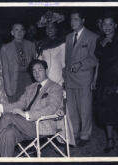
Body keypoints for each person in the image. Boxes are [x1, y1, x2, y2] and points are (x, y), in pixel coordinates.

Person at [0, 59, 63, 157]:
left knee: (7, 117)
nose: (36, 73)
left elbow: (51, 108)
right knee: (8, 133)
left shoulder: (55, 87)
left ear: (46, 70)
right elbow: (19, 104)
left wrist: (26, 114)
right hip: (26, 126)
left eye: (39, 70)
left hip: (42, 125)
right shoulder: (30, 88)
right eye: (34, 71)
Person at [37, 11, 75, 145]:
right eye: (47, 28)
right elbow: (39, 64)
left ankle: (64, 138)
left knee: (61, 109)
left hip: (60, 80)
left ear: (56, 29)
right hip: (47, 83)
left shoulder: (63, 43)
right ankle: (48, 135)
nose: (50, 30)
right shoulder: (41, 45)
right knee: (47, 108)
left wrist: (64, 81)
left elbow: (66, 63)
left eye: (52, 27)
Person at [94, 15, 118, 155]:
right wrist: (94, 78)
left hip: (116, 80)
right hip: (103, 81)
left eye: (110, 24)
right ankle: (110, 140)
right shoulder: (99, 40)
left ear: (115, 25)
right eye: (104, 24)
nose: (107, 27)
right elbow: (98, 62)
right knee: (104, 112)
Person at [65, 9, 99, 146]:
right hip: (69, 78)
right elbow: (67, 59)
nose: (72, 22)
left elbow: (95, 58)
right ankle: (74, 135)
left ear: (83, 20)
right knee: (71, 109)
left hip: (84, 78)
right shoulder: (68, 37)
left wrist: (81, 64)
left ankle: (85, 136)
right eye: (71, 19)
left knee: (85, 109)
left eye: (76, 19)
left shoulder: (92, 37)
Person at [1, 23, 36, 103]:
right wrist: (8, 88)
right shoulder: (5, 48)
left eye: (21, 30)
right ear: (12, 33)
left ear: (24, 32)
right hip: (14, 81)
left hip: (28, 79)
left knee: (29, 103)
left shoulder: (31, 45)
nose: (19, 32)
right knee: (15, 106)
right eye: (16, 30)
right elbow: (5, 71)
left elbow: (35, 64)